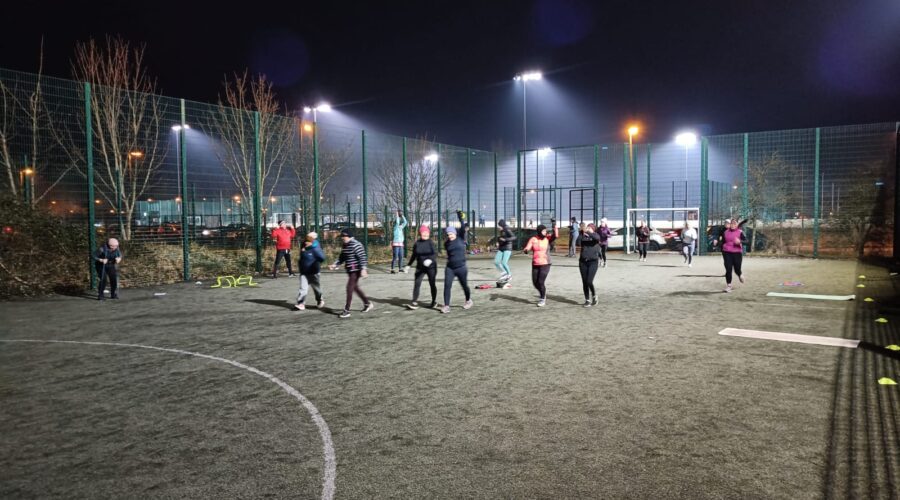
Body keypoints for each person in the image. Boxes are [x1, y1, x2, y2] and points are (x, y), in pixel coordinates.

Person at [329, 229, 373, 318]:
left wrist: (363, 269)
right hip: (350, 269)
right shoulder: (345, 245)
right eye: (341, 237)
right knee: (355, 288)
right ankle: (367, 303)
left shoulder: (356, 245)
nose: (342, 238)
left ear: (349, 236)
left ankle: (347, 310)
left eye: (343, 236)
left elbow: (362, 257)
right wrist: (335, 265)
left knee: (349, 288)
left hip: (356, 270)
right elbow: (342, 257)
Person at [523, 219, 558, 307]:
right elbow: (528, 247)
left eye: (545, 230)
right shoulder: (533, 239)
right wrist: (526, 250)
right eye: (543, 231)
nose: (545, 232)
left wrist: (554, 225)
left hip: (546, 263)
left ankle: (542, 298)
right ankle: (543, 292)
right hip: (535, 263)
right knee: (535, 283)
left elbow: (556, 235)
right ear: (539, 231)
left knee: (540, 281)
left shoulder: (548, 238)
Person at [405, 224, 438, 309]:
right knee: (417, 283)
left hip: (431, 267)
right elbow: (414, 255)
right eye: (423, 233)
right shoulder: (417, 243)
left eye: (426, 233)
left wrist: (430, 260)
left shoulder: (431, 242)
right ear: (420, 233)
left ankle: (434, 301)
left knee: (432, 284)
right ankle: (414, 302)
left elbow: (435, 253)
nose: (425, 234)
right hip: (420, 267)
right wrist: (408, 265)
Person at [442, 226, 473, 313]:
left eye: (451, 234)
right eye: (448, 234)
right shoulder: (446, 243)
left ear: (455, 233)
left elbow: (463, 228)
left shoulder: (460, 238)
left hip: (461, 268)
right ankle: (446, 306)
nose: (449, 236)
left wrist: (461, 218)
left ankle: (468, 300)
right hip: (450, 268)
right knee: (447, 286)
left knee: (464, 286)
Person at [712, 218, 746, 292]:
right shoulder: (726, 232)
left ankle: (740, 274)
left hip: (737, 252)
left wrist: (740, 241)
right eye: (732, 223)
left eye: (734, 223)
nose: (733, 225)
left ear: (737, 225)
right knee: (728, 269)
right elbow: (723, 242)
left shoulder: (740, 232)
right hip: (727, 252)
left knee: (737, 269)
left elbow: (746, 241)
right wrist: (717, 243)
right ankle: (729, 286)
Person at [296, 231, 326, 311]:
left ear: (313, 239)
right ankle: (301, 303)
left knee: (316, 289)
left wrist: (314, 251)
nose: (306, 240)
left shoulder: (316, 247)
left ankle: (320, 300)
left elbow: (322, 258)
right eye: (306, 237)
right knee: (303, 288)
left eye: (309, 238)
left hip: (314, 271)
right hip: (304, 272)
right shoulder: (303, 246)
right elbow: (302, 259)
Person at [576, 223, 602, 307]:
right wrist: (581, 233)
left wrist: (589, 232)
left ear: (593, 229)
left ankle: (594, 295)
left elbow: (597, 238)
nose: (588, 229)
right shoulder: (583, 236)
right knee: (584, 282)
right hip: (583, 262)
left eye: (590, 228)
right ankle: (587, 300)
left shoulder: (595, 235)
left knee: (589, 281)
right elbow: (578, 243)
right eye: (587, 227)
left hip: (593, 262)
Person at [494, 219, 516, 285]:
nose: (498, 227)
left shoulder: (507, 229)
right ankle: (504, 274)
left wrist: (505, 239)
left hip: (507, 248)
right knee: (496, 262)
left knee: (504, 262)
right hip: (501, 248)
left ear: (502, 225)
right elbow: (501, 238)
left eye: (499, 226)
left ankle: (509, 275)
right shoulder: (502, 231)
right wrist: (498, 242)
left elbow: (514, 237)